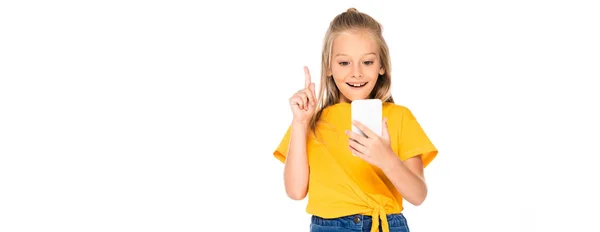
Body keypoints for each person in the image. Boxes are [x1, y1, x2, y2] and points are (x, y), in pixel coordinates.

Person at [273, 8, 438, 232]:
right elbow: (295, 192)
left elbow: (418, 196)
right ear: (329, 66)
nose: (357, 73)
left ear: (381, 66)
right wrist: (300, 123)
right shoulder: (310, 121)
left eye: (367, 62)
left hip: (385, 225)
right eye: (344, 63)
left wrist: (386, 158)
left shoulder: (399, 117)